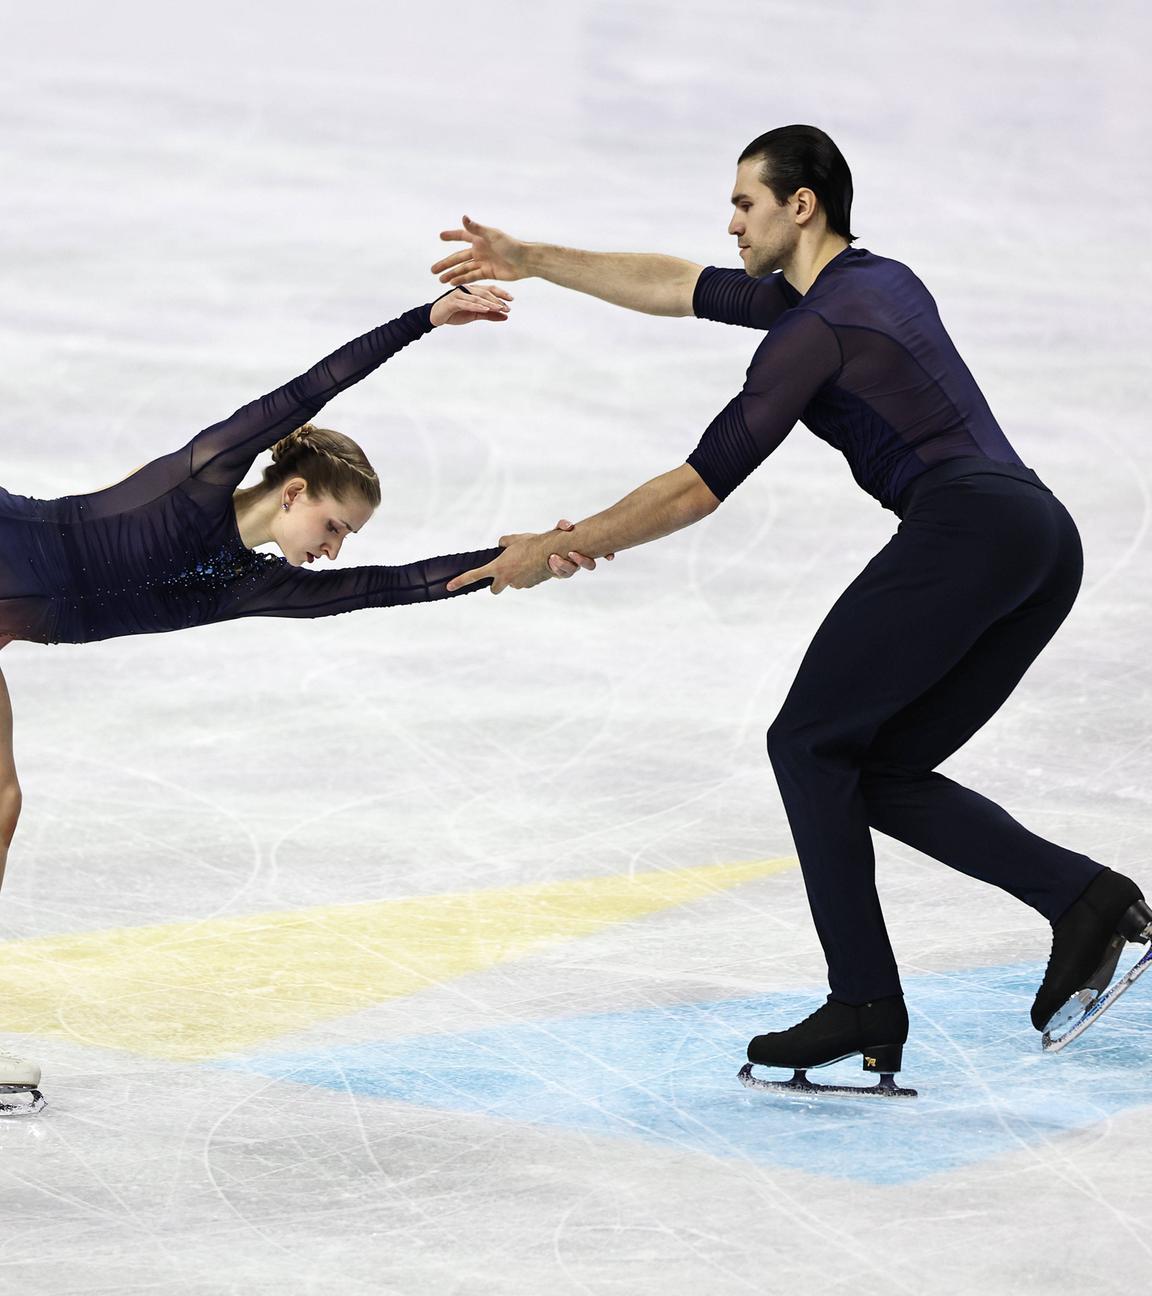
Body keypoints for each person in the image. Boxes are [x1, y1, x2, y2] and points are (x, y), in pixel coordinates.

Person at [431, 124, 1151, 1093]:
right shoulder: (867, 284)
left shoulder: (815, 331)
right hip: (1039, 539)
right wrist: (536, 261)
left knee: (806, 744)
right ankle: (1085, 898)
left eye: (744, 203)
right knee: (870, 766)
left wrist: (558, 546)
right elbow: (674, 284)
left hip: (965, 528)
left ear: (798, 204)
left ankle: (863, 1000)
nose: (731, 222)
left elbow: (698, 485)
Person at [0, 280, 604, 1114]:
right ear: (293, 493)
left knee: (2, 802)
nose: (332, 550)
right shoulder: (200, 479)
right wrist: (422, 321)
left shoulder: (248, 586)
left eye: (344, 539)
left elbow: (385, 588)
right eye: (333, 527)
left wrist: (510, 560)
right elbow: (307, 388)